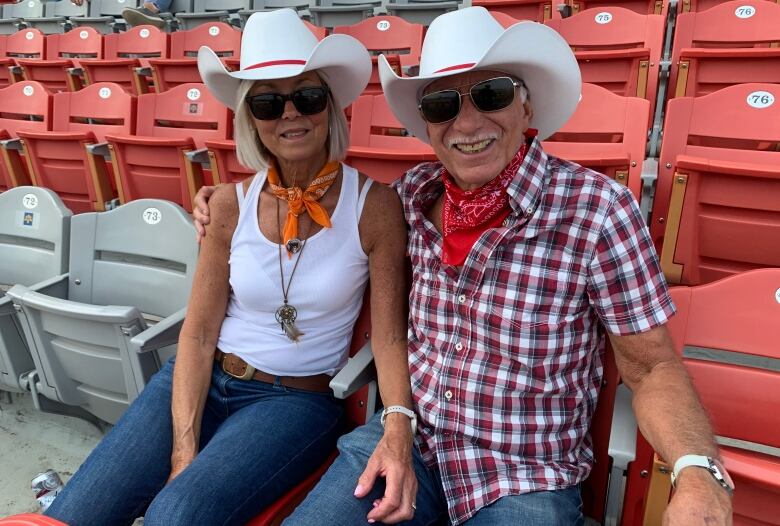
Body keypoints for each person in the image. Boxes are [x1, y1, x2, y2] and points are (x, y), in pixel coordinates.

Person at [193, 7, 734, 526]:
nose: (467, 121)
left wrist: (698, 471)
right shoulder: (409, 198)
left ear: (526, 107)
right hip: (408, 443)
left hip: (523, 475)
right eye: (442, 105)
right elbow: (315, 209)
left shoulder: (596, 211)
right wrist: (227, 201)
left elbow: (652, 367)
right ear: (428, 124)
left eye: (490, 94)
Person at [44, 10, 416, 526]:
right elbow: (197, 334)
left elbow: (391, 339)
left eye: (307, 97)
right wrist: (182, 451)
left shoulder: (374, 206)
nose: (290, 114)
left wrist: (398, 424)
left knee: (174, 515)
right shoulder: (227, 205)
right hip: (204, 374)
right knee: (75, 512)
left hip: (294, 402)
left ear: (330, 107)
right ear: (252, 119)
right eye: (268, 102)